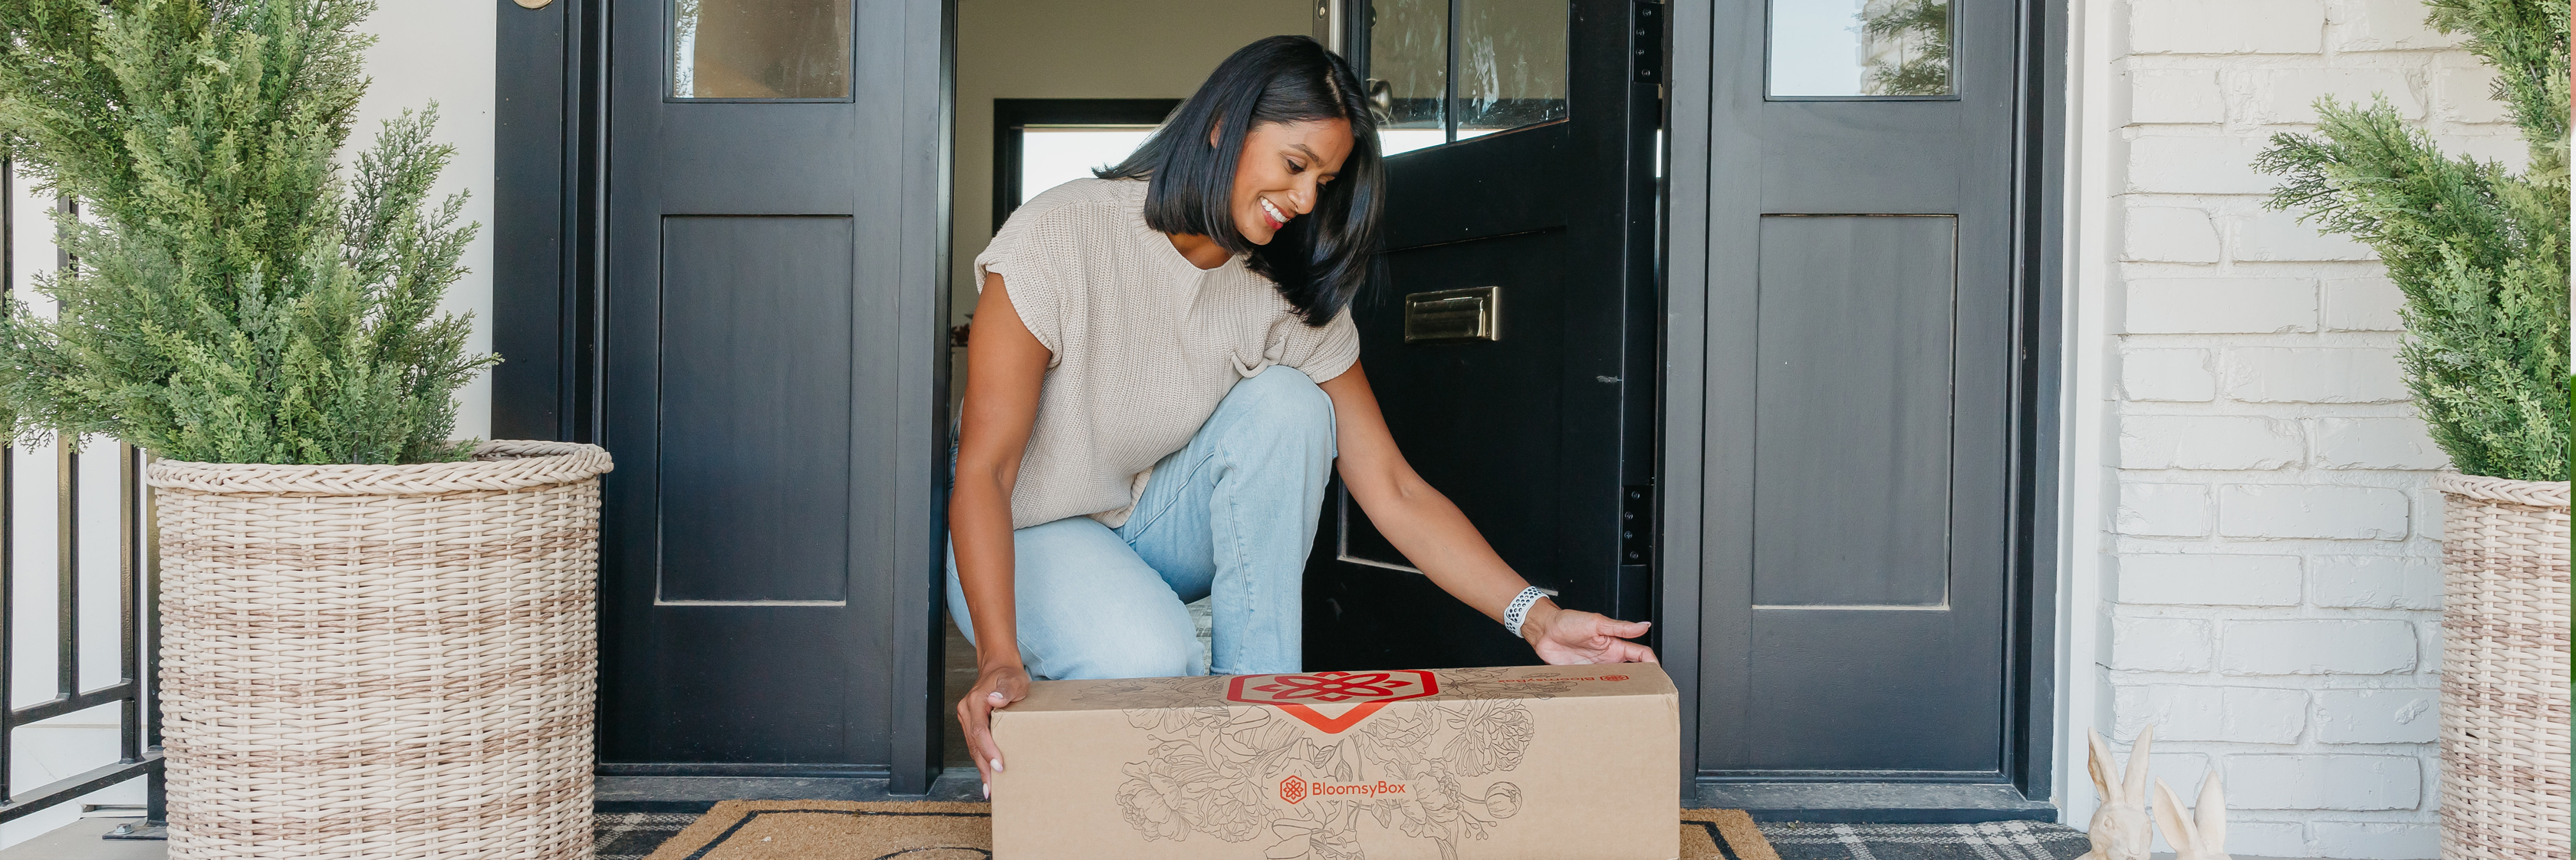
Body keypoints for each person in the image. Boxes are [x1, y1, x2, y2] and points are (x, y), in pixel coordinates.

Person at [950, 35, 1654, 796]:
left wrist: (1537, 618)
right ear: (1224, 124)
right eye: (1295, 165)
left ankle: (1252, 724)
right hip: (1023, 534)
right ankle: (1147, 645)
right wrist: (997, 654)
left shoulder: (1281, 300)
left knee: (1290, 404)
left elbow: (1392, 486)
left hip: (1147, 520)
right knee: (1143, 661)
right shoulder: (1063, 232)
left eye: (1324, 179)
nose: (1307, 199)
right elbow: (984, 470)